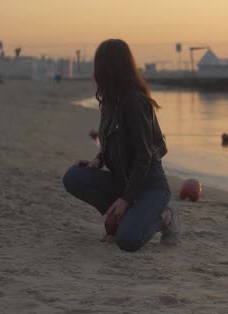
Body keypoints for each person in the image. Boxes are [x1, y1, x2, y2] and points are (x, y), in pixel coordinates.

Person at [63, 39, 179, 252]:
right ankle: (130, 214)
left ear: (110, 69)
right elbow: (110, 143)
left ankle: (165, 216)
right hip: (122, 182)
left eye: (98, 66)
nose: (95, 73)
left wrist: (126, 199)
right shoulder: (110, 102)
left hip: (149, 185)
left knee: (127, 241)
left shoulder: (136, 103)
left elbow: (144, 158)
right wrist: (98, 160)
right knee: (73, 177)